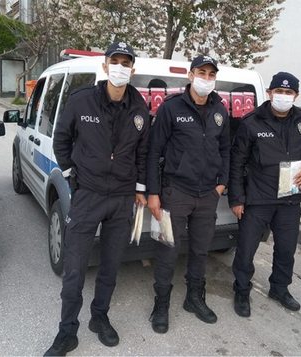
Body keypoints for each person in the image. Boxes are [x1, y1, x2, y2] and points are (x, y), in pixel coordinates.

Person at [44, 41, 150, 356]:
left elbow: (142, 152)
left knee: (110, 265)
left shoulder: (140, 108)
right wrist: (68, 174)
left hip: (121, 198)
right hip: (87, 195)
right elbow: (61, 139)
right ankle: (67, 332)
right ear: (105, 66)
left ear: (132, 69)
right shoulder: (82, 101)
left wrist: (141, 187)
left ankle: (99, 317)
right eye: (114, 61)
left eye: (126, 62)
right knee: (75, 267)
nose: (120, 67)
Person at [146, 55, 230, 333]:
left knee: (200, 250)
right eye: (201, 72)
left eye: (210, 73)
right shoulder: (172, 107)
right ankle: (161, 305)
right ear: (191, 75)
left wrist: (222, 183)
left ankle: (195, 299)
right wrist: (154, 193)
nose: (206, 78)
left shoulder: (221, 110)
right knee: (168, 249)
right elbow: (154, 151)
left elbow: (226, 149)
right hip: (175, 191)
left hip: (207, 193)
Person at [228, 72, 301, 317]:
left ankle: (279, 288)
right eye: (279, 91)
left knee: (286, 249)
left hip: (290, 198)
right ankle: (241, 289)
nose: (283, 96)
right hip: (257, 198)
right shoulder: (252, 122)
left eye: (288, 93)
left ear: (296, 96)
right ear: (270, 93)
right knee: (246, 249)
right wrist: (236, 198)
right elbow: (236, 163)